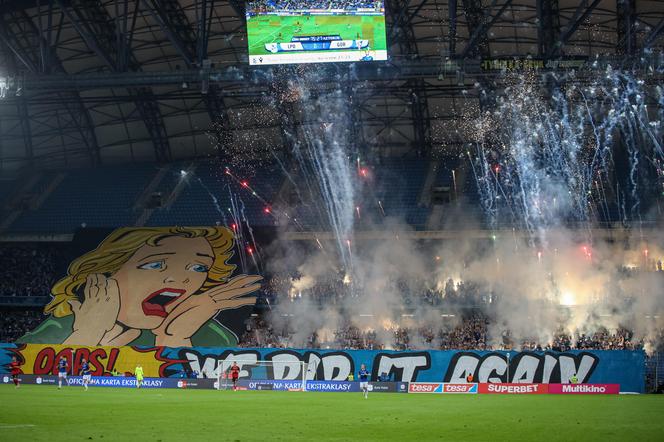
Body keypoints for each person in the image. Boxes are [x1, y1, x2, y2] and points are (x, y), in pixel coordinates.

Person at [18, 227, 262, 347]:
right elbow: (22, 359)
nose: (180, 279)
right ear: (108, 272)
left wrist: (175, 338)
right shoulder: (59, 326)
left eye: (198, 268)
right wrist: (85, 335)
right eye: (155, 264)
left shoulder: (212, 335)